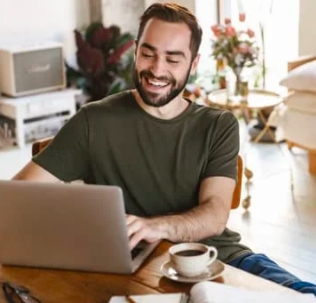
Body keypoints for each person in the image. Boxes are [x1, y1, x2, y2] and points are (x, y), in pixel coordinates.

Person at [13, 2, 316, 296]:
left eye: (173, 59)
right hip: (133, 270)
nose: (157, 70)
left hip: (220, 259)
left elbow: (214, 214)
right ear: (135, 51)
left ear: (193, 64)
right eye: (148, 54)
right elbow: (17, 199)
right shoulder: (93, 121)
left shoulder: (218, 125)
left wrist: (154, 227)